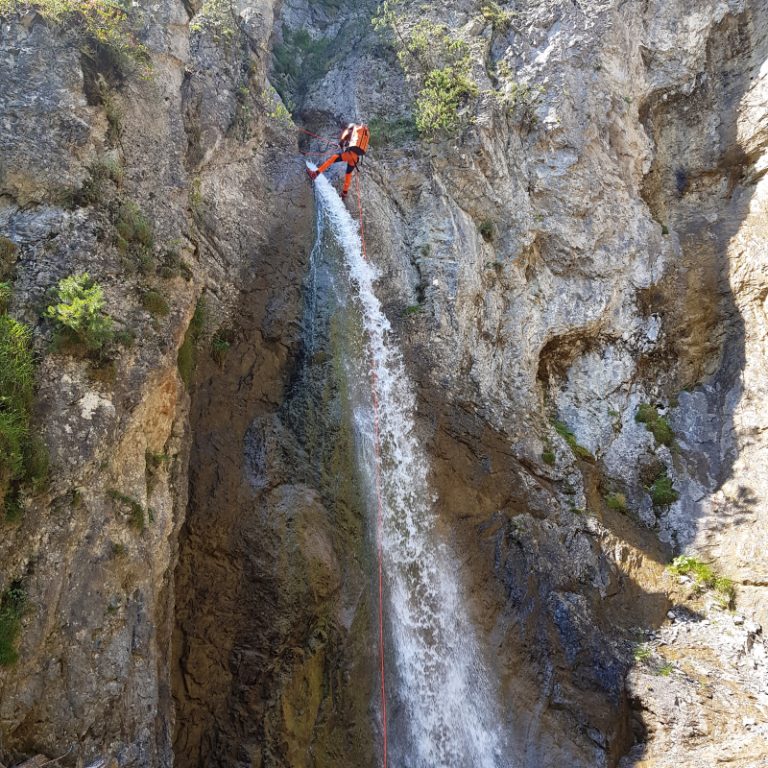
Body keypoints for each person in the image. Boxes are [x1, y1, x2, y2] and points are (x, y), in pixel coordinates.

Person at [307, 123, 370, 199]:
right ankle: (344, 193)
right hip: (355, 158)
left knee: (333, 158)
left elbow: (346, 134)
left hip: (350, 154)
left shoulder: (354, 128)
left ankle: (315, 174)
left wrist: (341, 144)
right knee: (348, 173)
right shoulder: (365, 135)